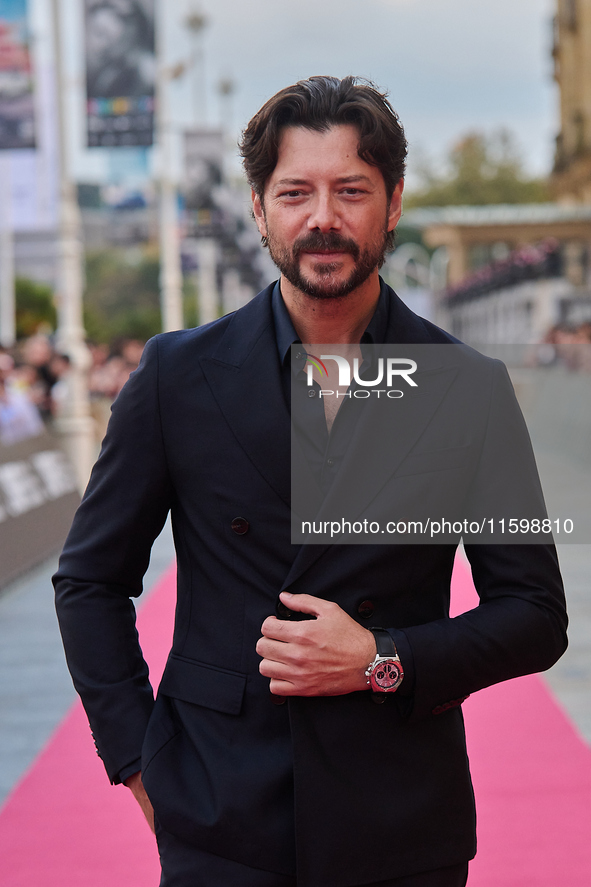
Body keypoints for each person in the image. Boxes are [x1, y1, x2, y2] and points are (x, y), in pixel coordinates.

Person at [54, 76, 567, 887]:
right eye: (295, 191)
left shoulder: (464, 384)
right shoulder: (177, 375)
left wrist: (379, 658)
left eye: (350, 190)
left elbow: (535, 615)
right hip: (219, 808)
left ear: (391, 203)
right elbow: (89, 579)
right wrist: (139, 761)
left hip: (400, 817)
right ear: (259, 208)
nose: (322, 217)